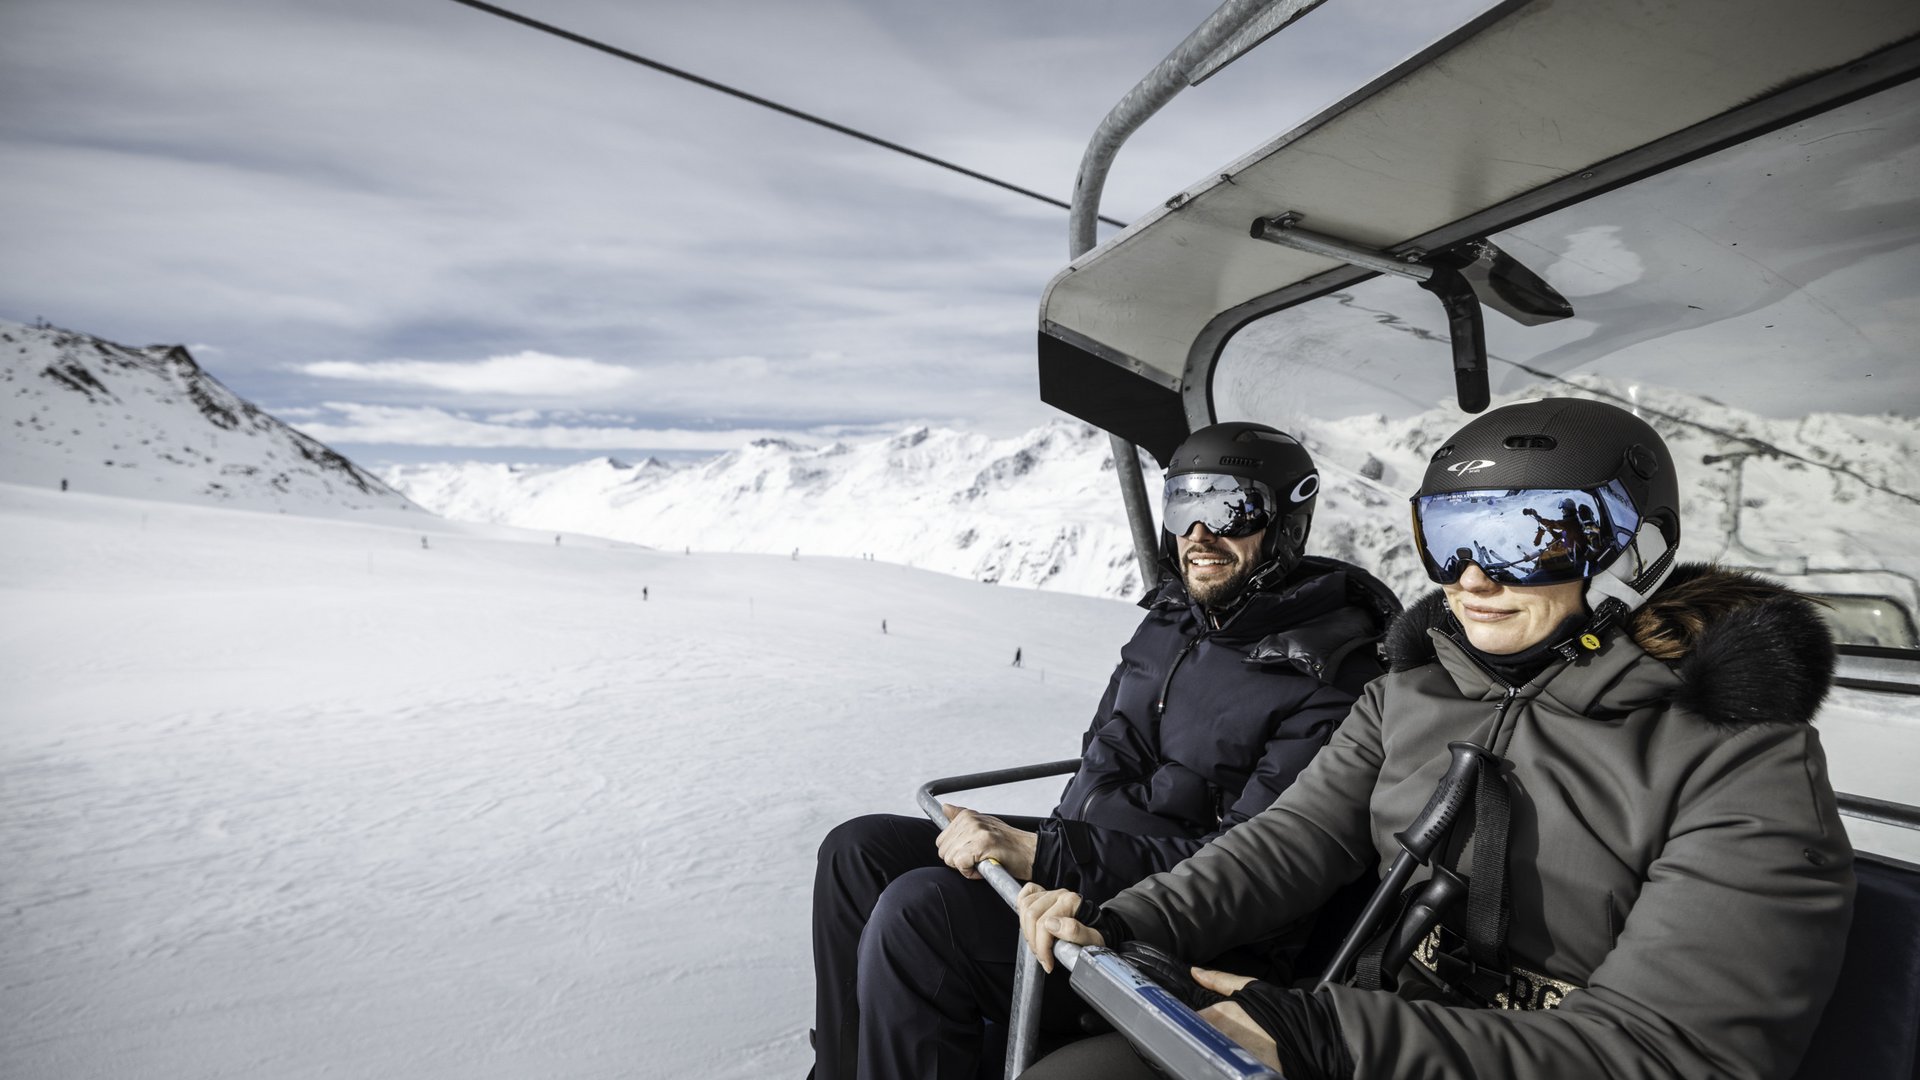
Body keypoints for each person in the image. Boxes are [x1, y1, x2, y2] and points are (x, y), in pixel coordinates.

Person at [1016, 398, 1854, 1080]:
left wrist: (1329, 1036)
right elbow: (1287, 844)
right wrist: (1133, 921)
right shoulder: (1410, 696)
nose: (1475, 579)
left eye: (1530, 541)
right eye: (1451, 539)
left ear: (1635, 551)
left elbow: (1671, 1051)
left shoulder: (1740, 762)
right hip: (1381, 1018)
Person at [809, 422, 1402, 1080]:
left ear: (1287, 522)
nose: (1198, 535)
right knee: (857, 852)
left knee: (924, 916)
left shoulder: (1334, 676)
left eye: (1228, 507)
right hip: (1083, 865)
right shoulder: (1174, 621)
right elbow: (1104, 762)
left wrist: (1042, 853)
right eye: (1183, 506)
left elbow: (1260, 869)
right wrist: (1049, 850)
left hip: (1182, 934)